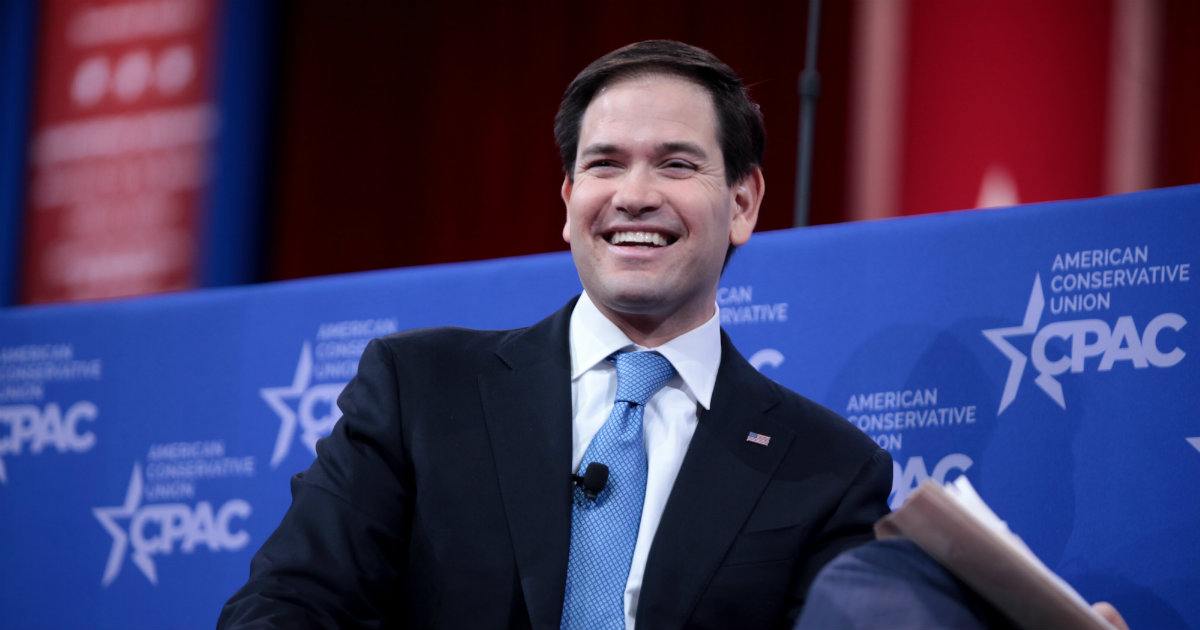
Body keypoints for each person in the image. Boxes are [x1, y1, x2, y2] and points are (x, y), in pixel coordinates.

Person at [217, 39, 893, 629]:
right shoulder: (419, 391)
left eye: (677, 165)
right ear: (568, 204)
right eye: (604, 164)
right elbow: (285, 605)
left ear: (743, 203)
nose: (633, 194)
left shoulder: (826, 468)